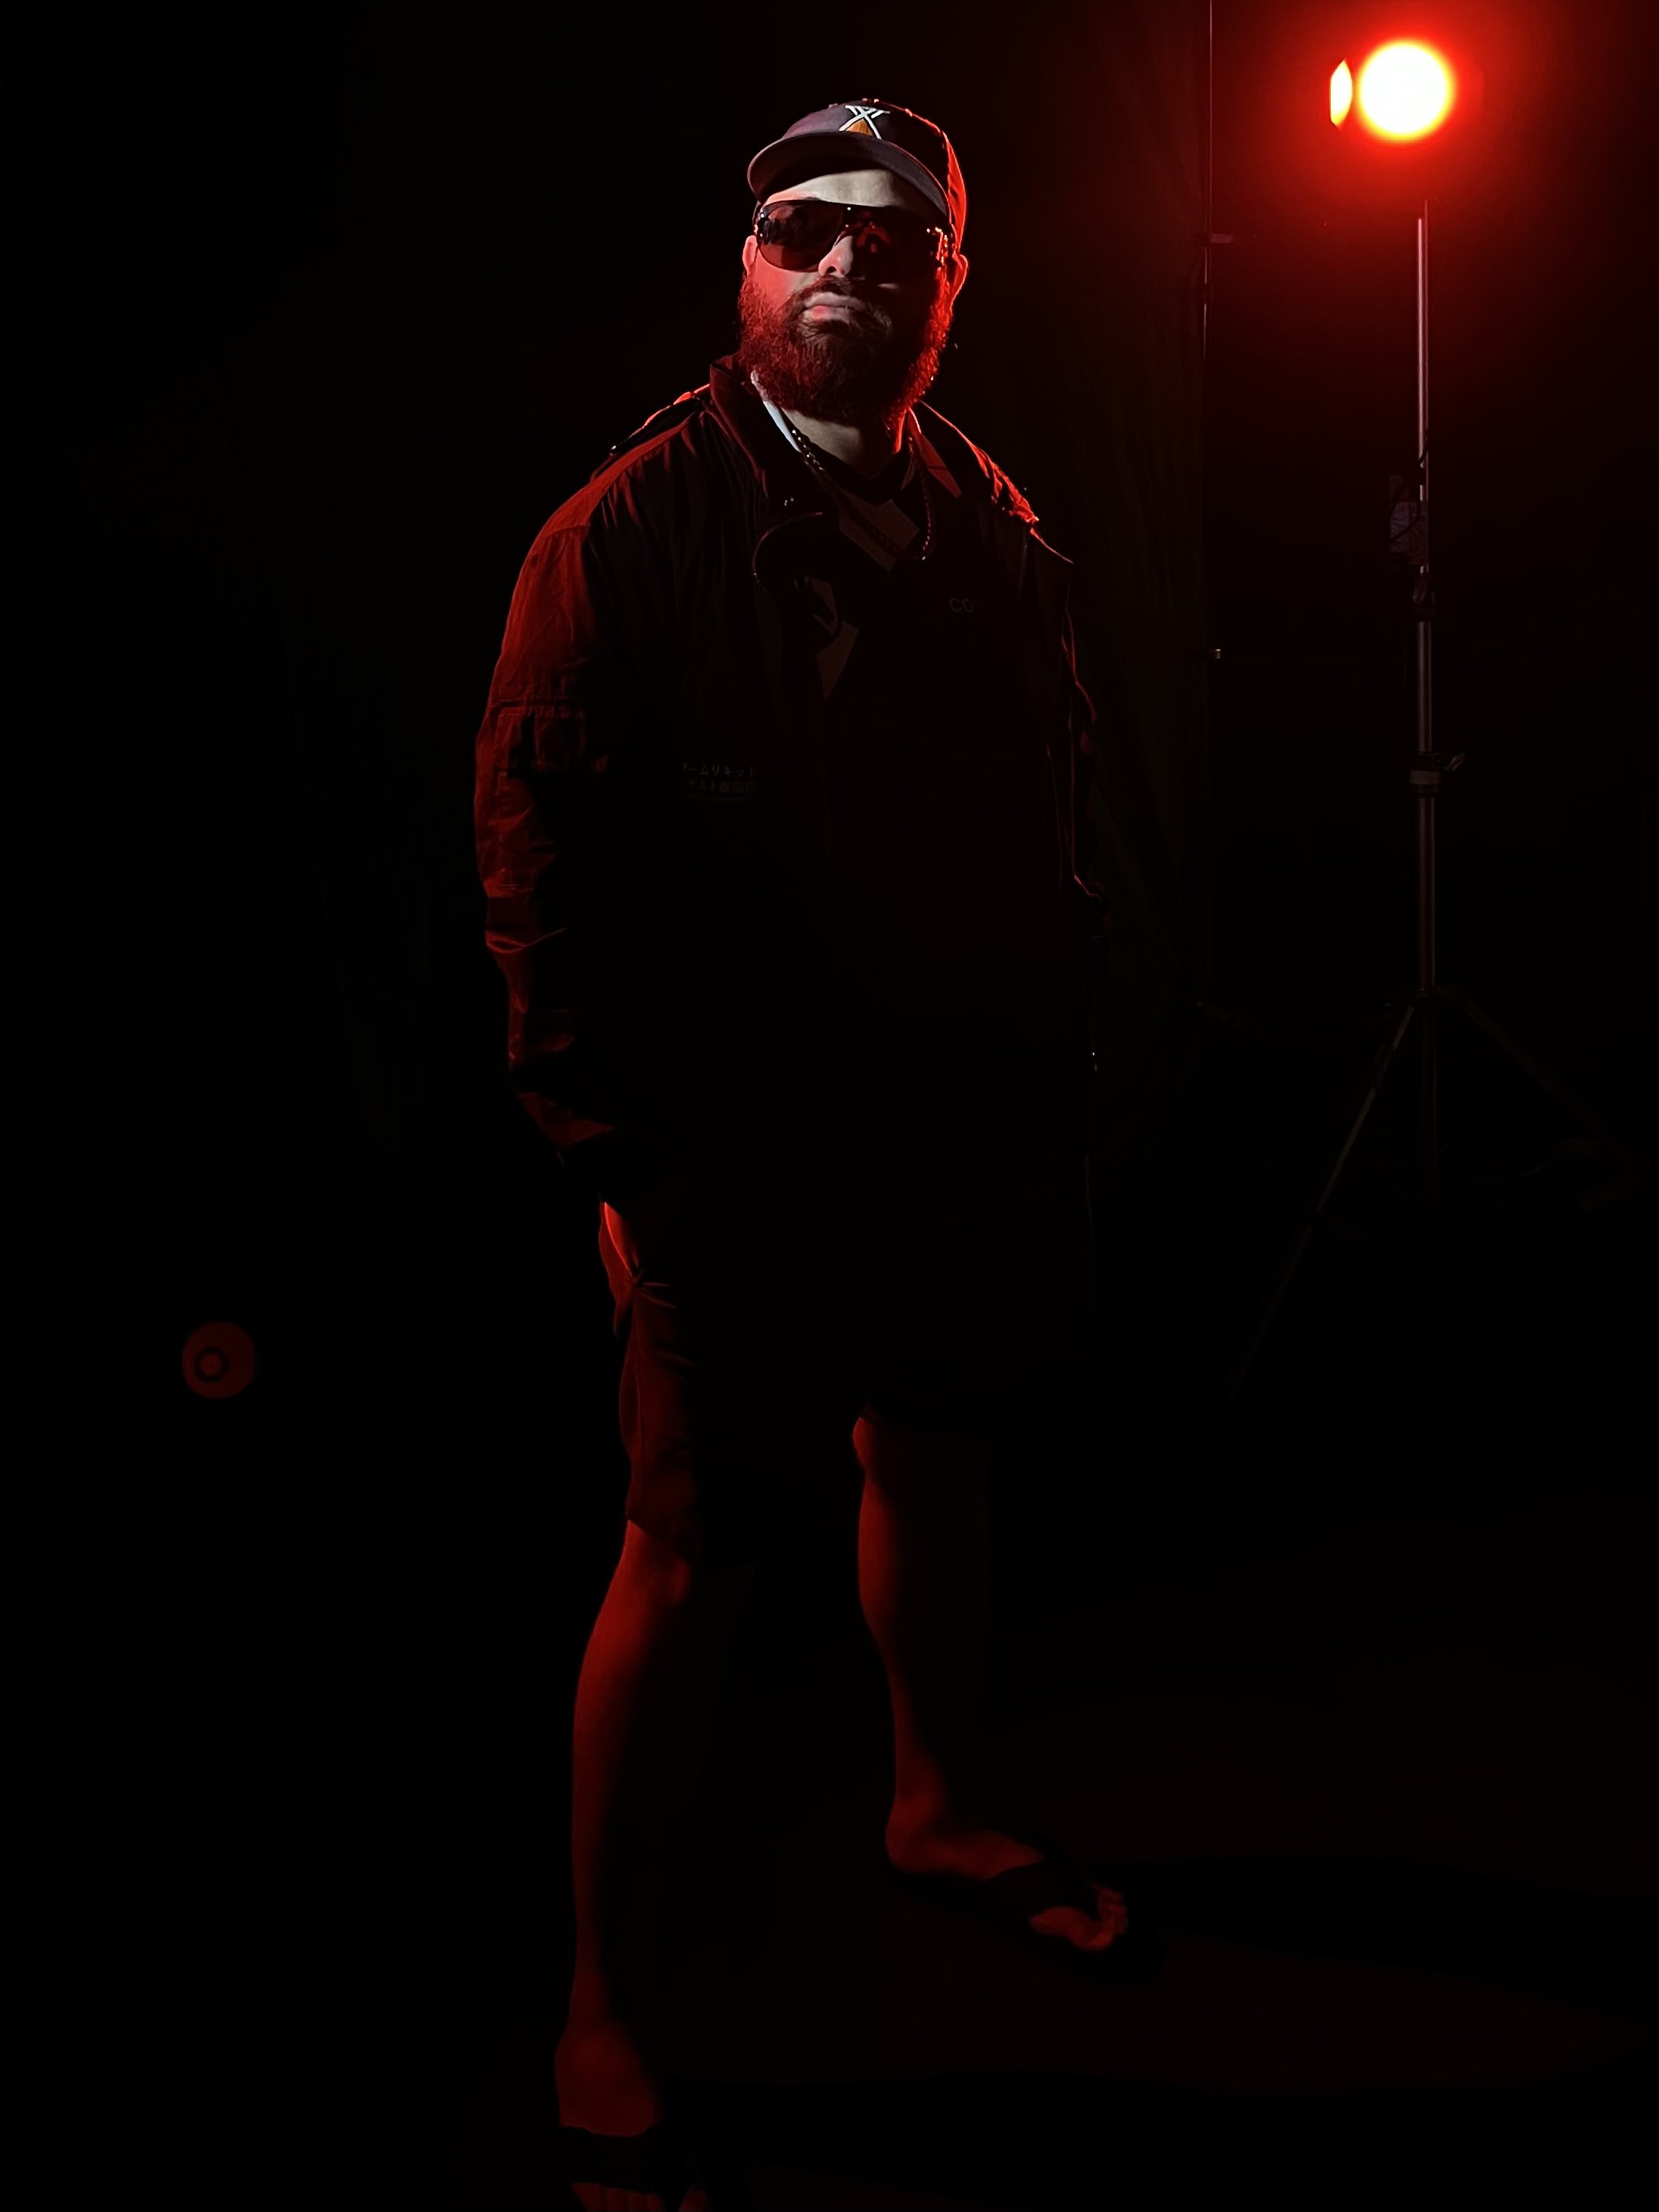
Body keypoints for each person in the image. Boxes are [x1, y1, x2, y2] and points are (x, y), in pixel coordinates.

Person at [474, 95, 1159, 2212]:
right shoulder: (630, 532)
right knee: (688, 1551)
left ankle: (931, 1806)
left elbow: (1043, 812)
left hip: (951, 1122)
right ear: (748, 266)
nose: (848, 258)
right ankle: (602, 2000)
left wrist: (1049, 1047)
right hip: (732, 1147)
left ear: (954, 284)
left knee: (932, 1455)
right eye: (804, 226)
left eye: (897, 236)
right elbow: (541, 871)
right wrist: (623, 1157)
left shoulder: (987, 517)